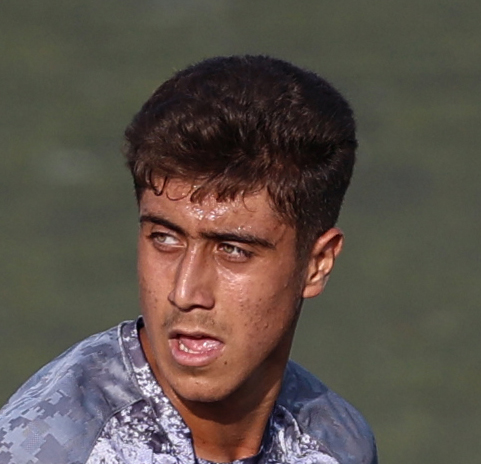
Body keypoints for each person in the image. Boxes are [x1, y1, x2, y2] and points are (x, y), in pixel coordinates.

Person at [0, 55, 377, 464]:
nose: (185, 292)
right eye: (165, 238)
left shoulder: (335, 444)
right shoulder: (49, 447)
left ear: (317, 264)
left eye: (233, 250)